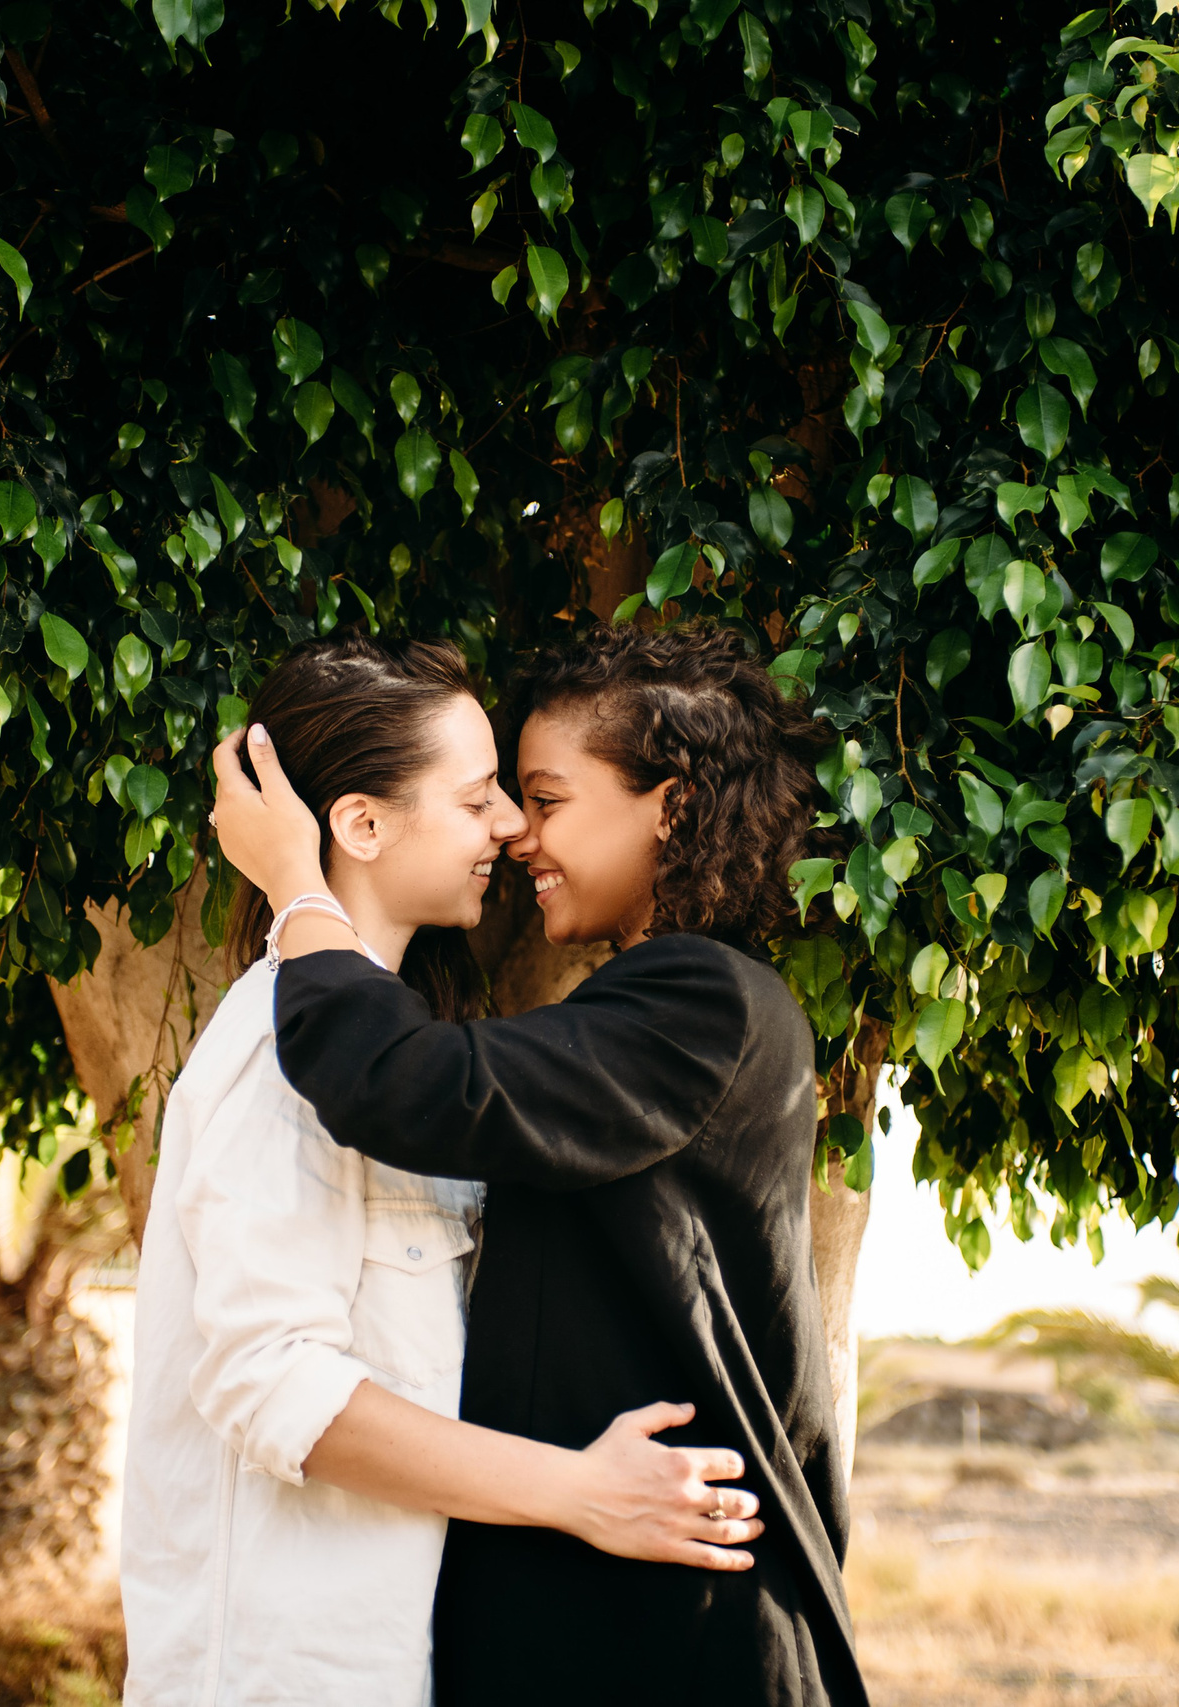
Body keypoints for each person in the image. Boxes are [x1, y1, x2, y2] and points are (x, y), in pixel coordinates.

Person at [211, 623, 869, 1706]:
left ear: (673, 803)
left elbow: (399, 1079)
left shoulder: (705, 1004)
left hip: (674, 1636)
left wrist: (295, 880)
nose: (517, 831)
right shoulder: (644, 1012)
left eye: (547, 798)